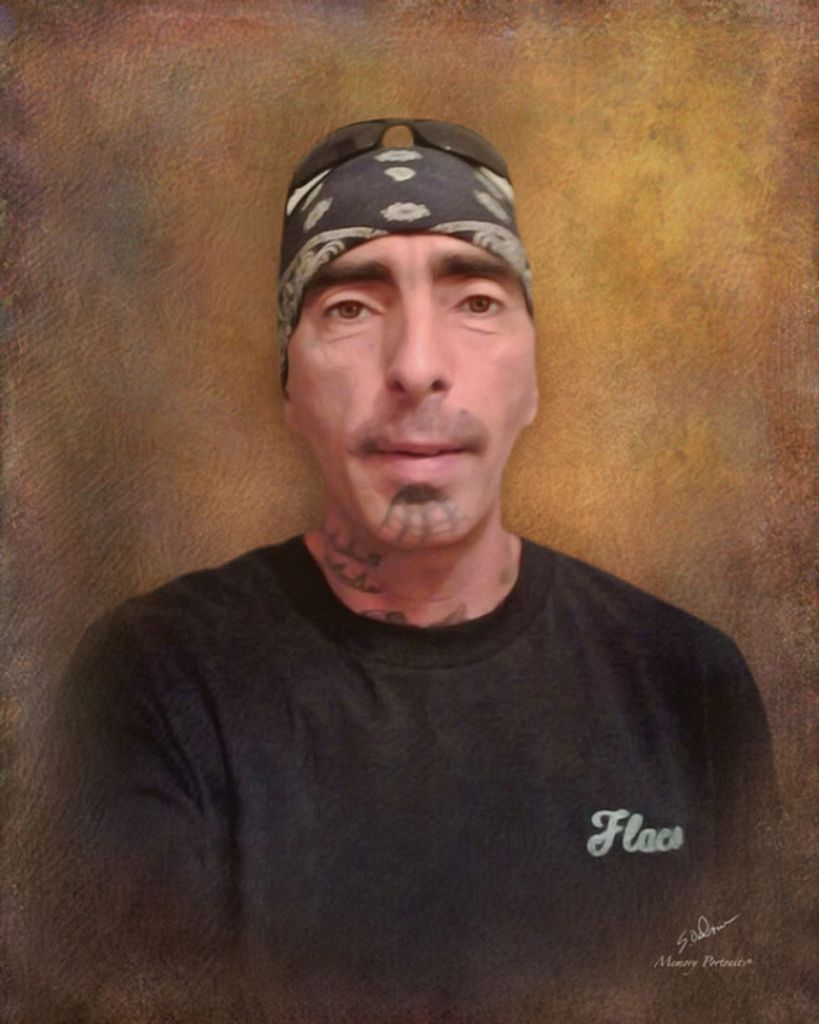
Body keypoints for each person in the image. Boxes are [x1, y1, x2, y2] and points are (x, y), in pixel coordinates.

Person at [11, 119, 780, 1024]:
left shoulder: (686, 685)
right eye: (349, 307)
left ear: (532, 379)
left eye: (476, 300)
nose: (416, 367)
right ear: (289, 384)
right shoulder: (155, 683)